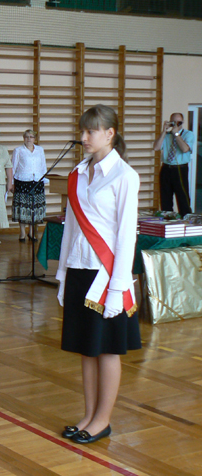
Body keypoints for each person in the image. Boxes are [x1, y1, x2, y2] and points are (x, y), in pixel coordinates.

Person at [57, 104, 141, 445]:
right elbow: (70, 230)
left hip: (107, 276)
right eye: (83, 131)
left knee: (106, 349)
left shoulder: (125, 176)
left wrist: (119, 287)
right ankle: (89, 414)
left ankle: (102, 420)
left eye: (91, 131)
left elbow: (125, 236)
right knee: (85, 348)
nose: (83, 138)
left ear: (110, 133)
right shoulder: (78, 173)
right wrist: (62, 274)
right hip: (79, 270)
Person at [153, 112, 193, 216]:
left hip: (180, 169)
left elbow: (185, 149)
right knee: (165, 198)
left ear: (182, 123)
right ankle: (168, 221)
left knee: (183, 198)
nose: (176, 125)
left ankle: (186, 221)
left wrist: (177, 134)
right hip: (166, 168)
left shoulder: (188, 134)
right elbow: (156, 147)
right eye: (173, 122)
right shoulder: (166, 136)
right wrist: (164, 132)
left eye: (178, 123)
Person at [11, 129, 47, 242]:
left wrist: (44, 179)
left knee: (34, 207)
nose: (29, 139)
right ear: (23, 138)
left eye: (31, 137)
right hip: (22, 181)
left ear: (34, 138)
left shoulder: (40, 150)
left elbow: (43, 166)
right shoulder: (18, 150)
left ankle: (32, 232)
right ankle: (22, 233)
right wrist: (11, 182)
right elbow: (13, 167)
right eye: (26, 136)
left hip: (37, 181)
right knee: (23, 207)